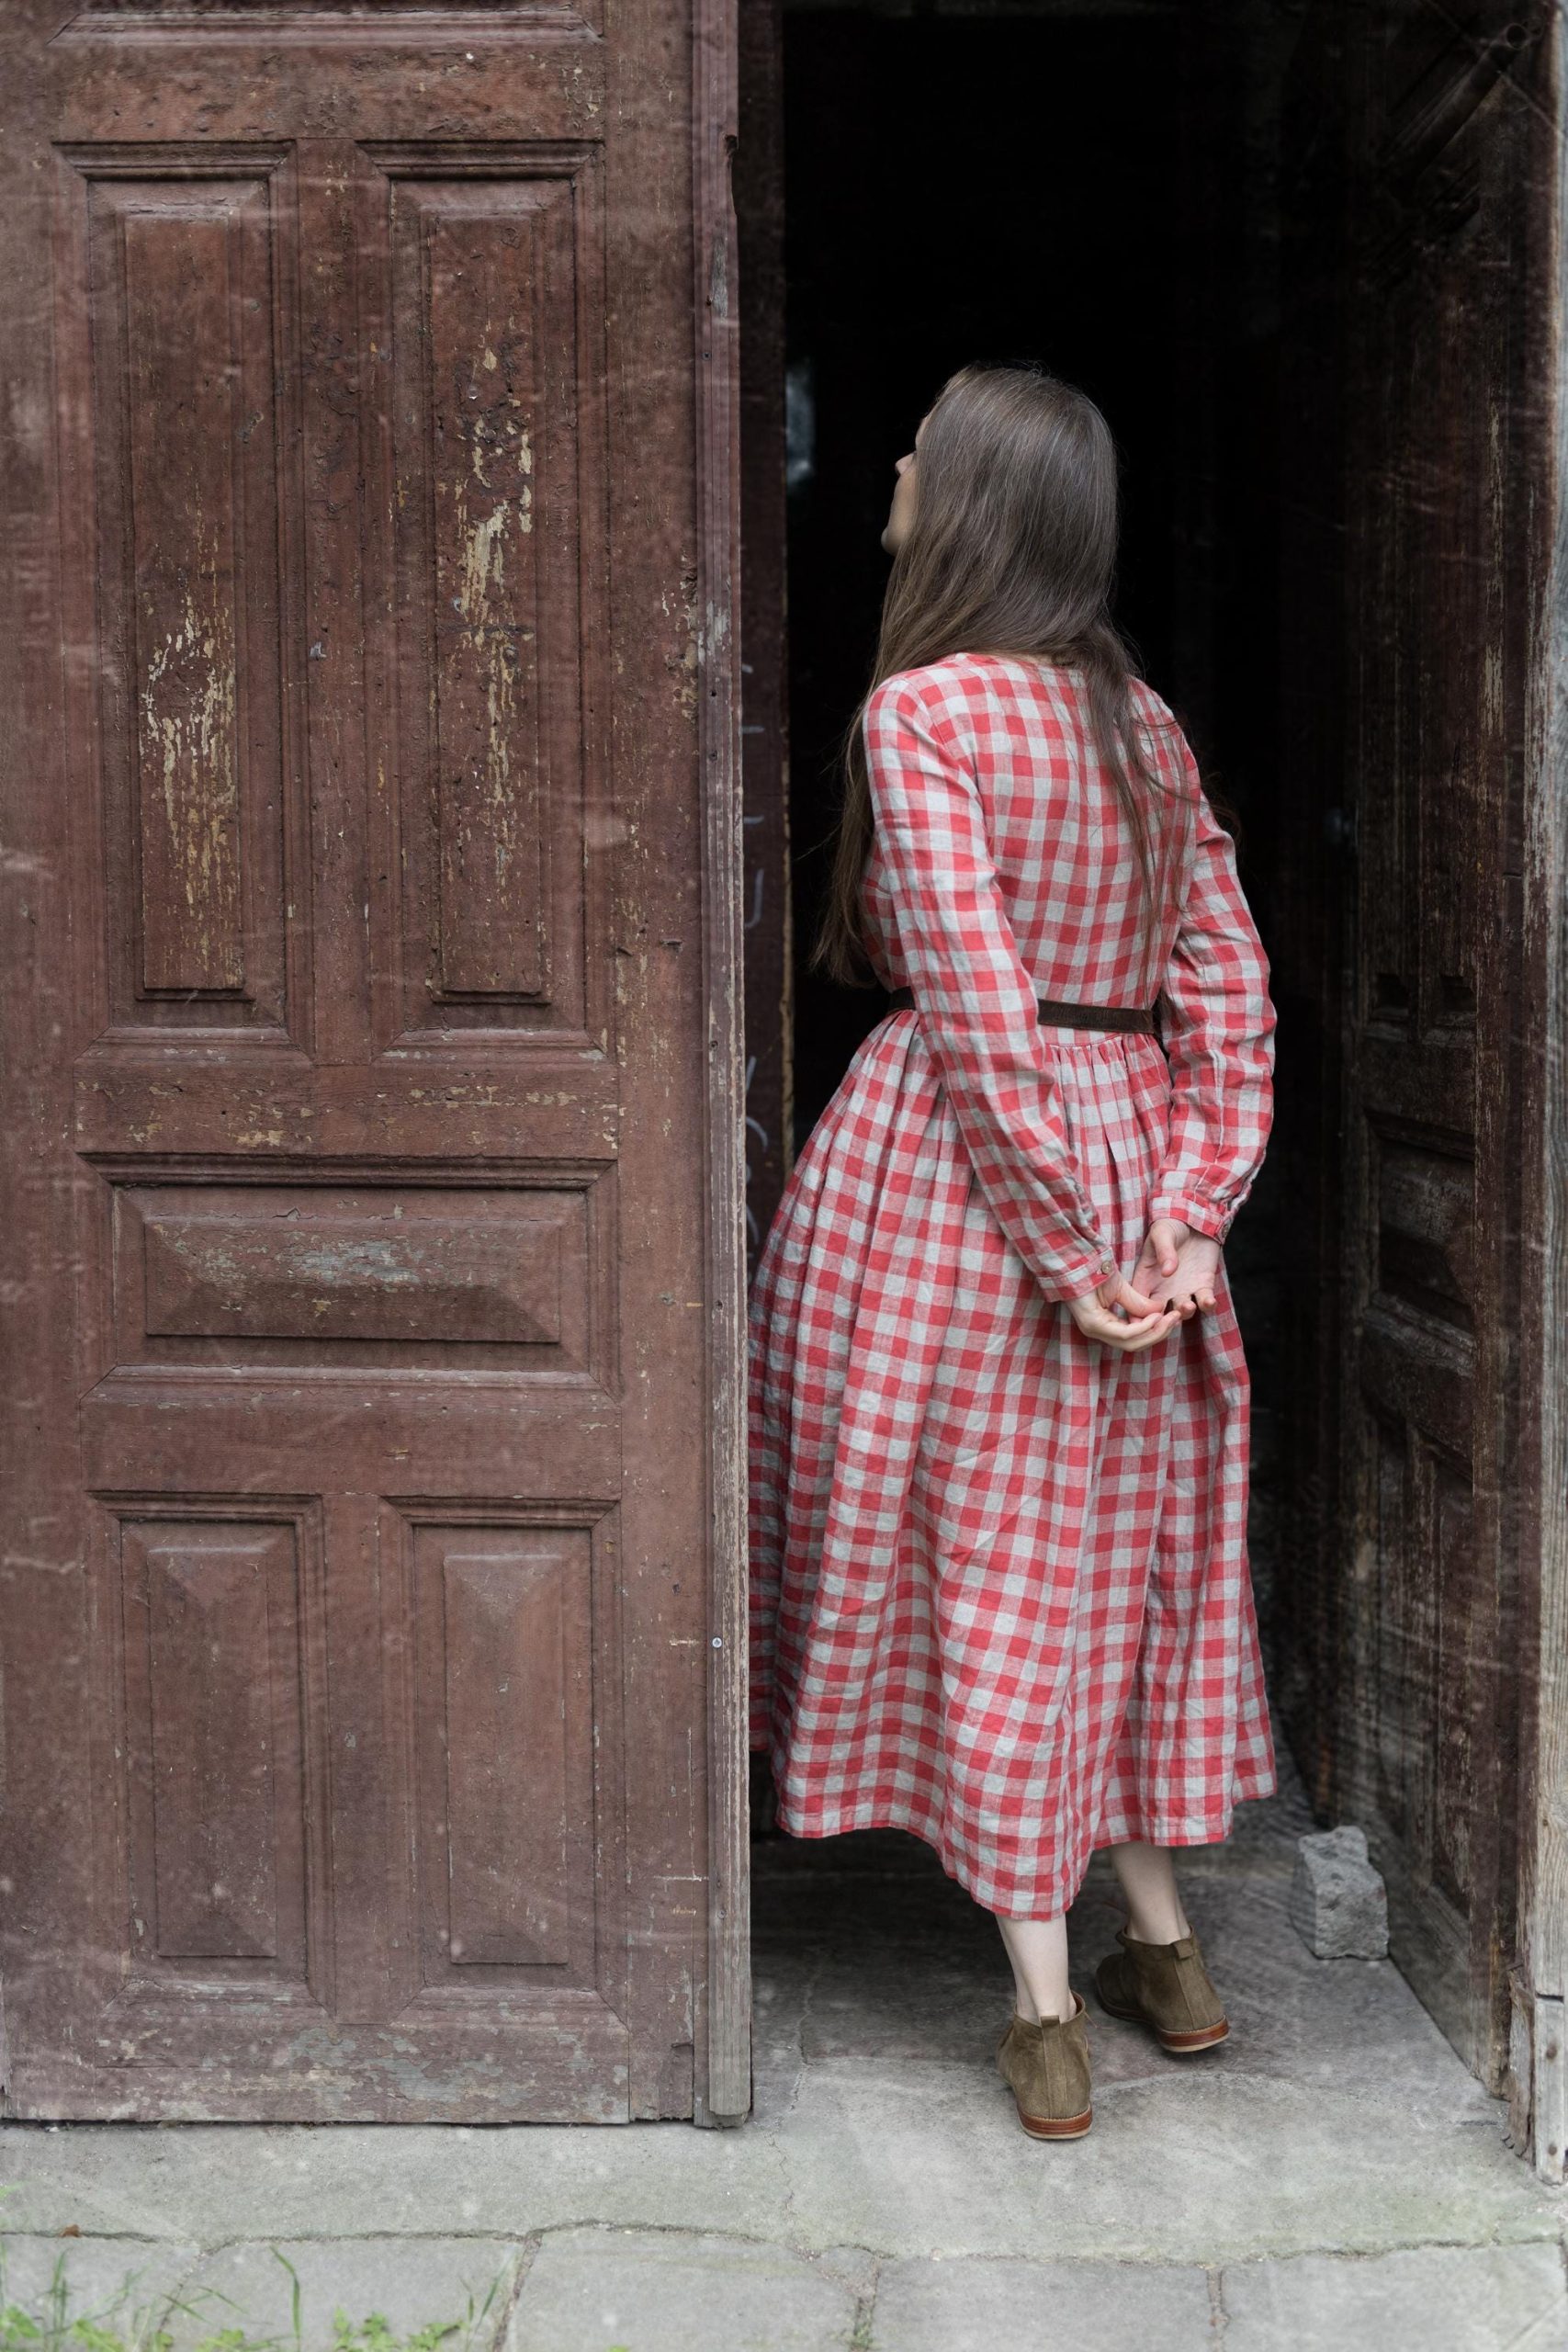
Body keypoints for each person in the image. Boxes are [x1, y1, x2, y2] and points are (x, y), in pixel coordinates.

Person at [747, 363, 1278, 2142]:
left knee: (980, 1560)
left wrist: (1063, 1251)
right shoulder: (1144, 722)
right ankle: (1166, 1955)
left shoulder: (922, 710)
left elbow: (973, 1006)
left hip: (955, 1184)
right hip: (1125, 1149)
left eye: (923, 446)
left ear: (968, 502)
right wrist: (1187, 1215)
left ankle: (1045, 2019)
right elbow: (1226, 985)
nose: (894, 460)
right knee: (1104, 1562)